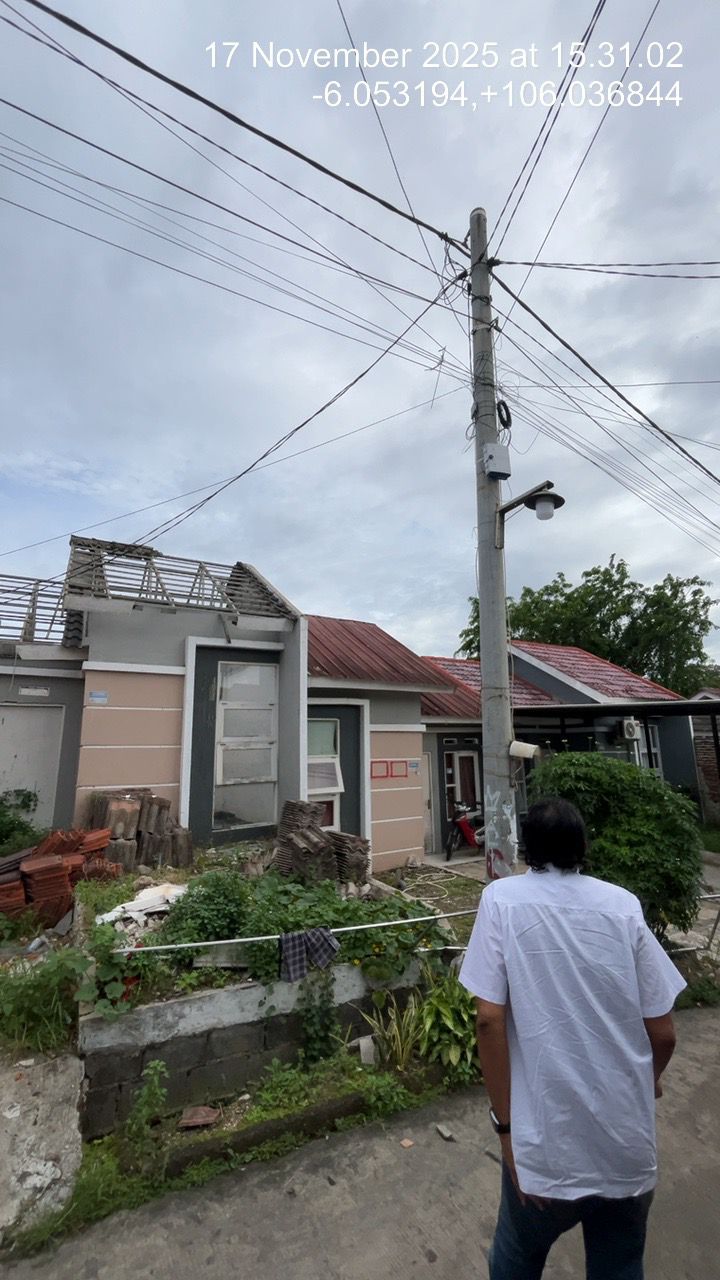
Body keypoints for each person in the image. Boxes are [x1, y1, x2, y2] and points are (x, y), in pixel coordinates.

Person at [459, 796, 686, 1280]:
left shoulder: (501, 900)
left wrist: (506, 1131)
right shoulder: (622, 906)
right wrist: (647, 1081)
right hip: (624, 1145)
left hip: (545, 1149)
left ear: (527, 847)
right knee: (620, 1265)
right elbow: (664, 1034)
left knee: (516, 1260)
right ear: (583, 846)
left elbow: (488, 1019)